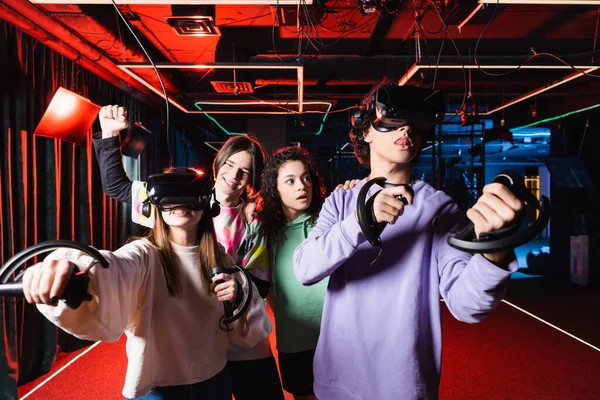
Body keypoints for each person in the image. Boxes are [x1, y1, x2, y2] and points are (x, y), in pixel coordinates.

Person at [293, 84, 524, 400]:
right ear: (367, 133)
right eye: (392, 121)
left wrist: (494, 252)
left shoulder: (439, 209)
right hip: (337, 381)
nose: (405, 129)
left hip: (402, 386)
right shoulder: (342, 200)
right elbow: (305, 269)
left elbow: (467, 306)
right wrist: (360, 221)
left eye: (414, 124)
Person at [21, 168, 271, 400]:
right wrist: (71, 269)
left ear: (208, 205)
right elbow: (112, 268)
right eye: (171, 195)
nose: (180, 204)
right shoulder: (144, 254)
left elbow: (254, 328)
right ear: (156, 206)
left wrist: (238, 294)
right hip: (158, 388)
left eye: (190, 194)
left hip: (214, 380)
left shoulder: (218, 256)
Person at [92, 105, 285, 400]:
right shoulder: (180, 196)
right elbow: (118, 186)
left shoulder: (252, 220)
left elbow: (260, 284)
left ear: (252, 180)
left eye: (245, 172)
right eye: (231, 165)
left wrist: (235, 282)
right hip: (193, 335)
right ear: (218, 163)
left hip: (240, 336)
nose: (234, 176)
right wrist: (109, 133)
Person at [256, 146, 327, 400]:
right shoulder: (266, 232)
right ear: (275, 188)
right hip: (293, 340)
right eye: (291, 180)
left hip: (335, 336)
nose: (302, 186)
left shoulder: (327, 222)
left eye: (306, 177)